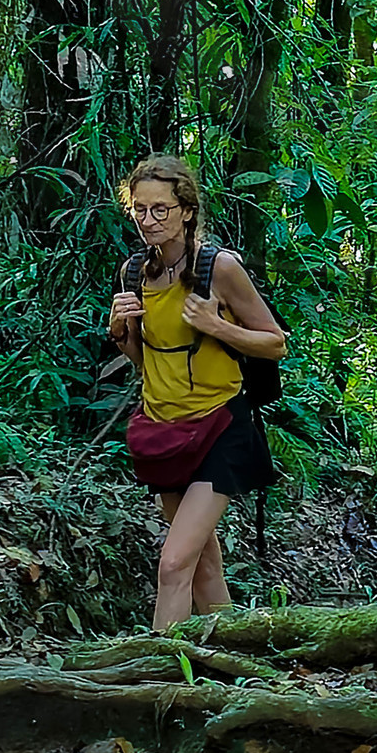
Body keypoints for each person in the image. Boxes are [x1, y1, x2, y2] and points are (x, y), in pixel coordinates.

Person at [108, 154, 286, 629]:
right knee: (203, 562)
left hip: (221, 427)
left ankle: (159, 674)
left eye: (161, 209)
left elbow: (275, 343)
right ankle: (234, 660)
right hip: (164, 433)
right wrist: (121, 333)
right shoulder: (133, 274)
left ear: (186, 210)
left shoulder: (219, 268)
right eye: (141, 210)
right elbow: (150, 364)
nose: (150, 220)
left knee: (173, 564)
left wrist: (216, 325)